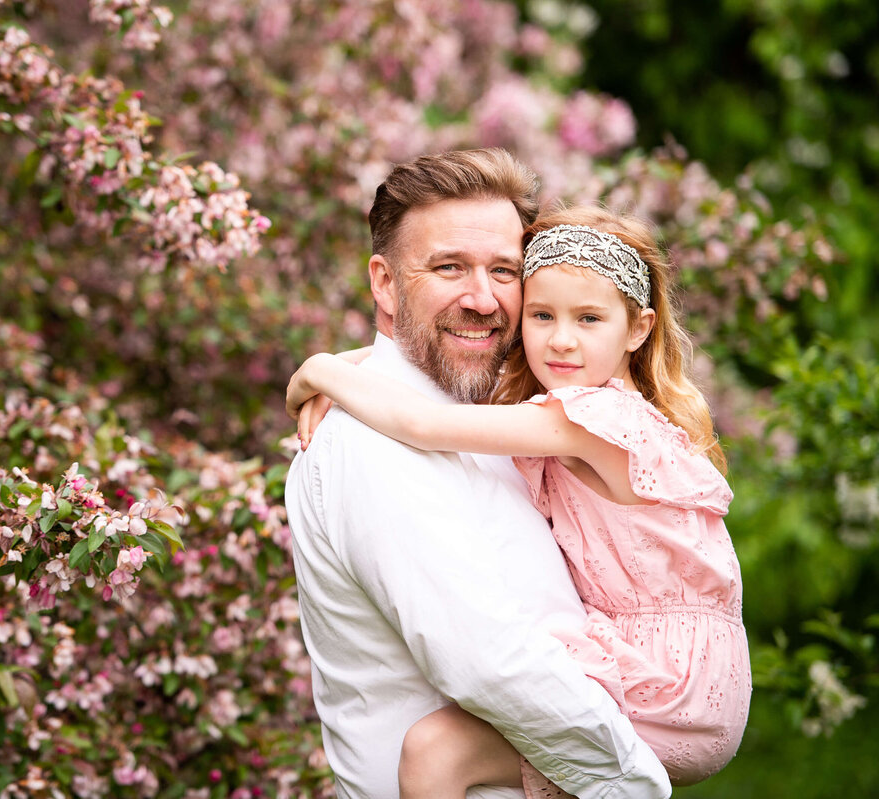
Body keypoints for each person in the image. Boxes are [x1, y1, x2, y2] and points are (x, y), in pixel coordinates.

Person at [286, 205, 751, 799]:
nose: (560, 338)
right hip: (695, 683)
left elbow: (423, 422)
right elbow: (429, 366)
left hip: (672, 688)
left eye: (588, 318)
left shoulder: (591, 418)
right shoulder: (587, 398)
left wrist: (321, 371)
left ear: (637, 329)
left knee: (437, 751)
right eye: (541, 315)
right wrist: (364, 363)